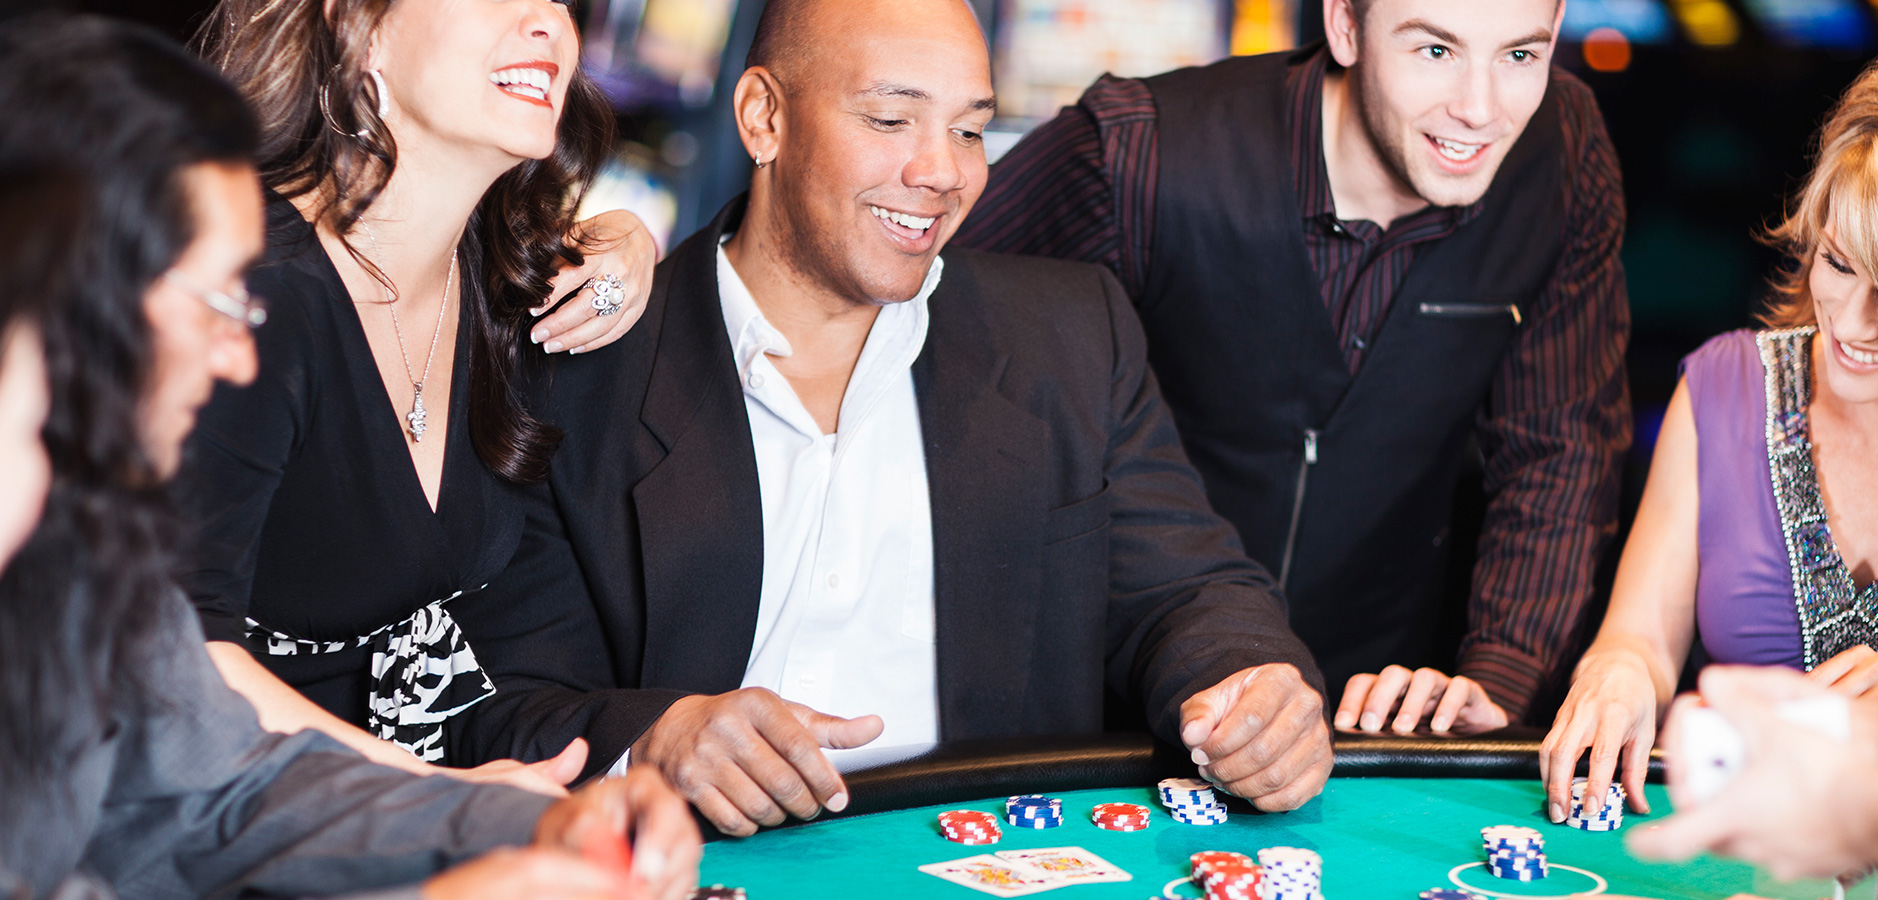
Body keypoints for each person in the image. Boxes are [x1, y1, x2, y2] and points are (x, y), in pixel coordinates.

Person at [445, 0, 1337, 836]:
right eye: (890, 120)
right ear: (763, 118)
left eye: (970, 129)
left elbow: (1189, 591)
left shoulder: (1070, 333)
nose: (941, 171)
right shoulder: (573, 362)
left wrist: (1248, 683)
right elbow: (495, 704)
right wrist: (663, 736)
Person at [0, 16, 701, 900]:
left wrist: (527, 820)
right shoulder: (272, 282)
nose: (543, 21)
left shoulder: (515, 288)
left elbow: (223, 786)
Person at [958, 0, 1631, 736]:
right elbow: (927, 324)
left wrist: (1496, 681)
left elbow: (1561, 447)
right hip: (1120, 713)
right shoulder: (1130, 153)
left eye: (1519, 57)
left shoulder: (1562, 151)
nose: (1479, 109)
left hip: (1379, 716)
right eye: (1435, 52)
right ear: (1345, 25)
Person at [172, 0, 662, 785]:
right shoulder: (251, 292)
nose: (549, 25)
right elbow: (169, 655)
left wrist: (628, 240)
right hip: (211, 815)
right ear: (354, 25)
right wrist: (432, 798)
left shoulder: (506, 288)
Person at [1540, 49, 1878, 825]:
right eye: (1840, 262)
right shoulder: (1726, 386)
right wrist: (1616, 674)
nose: (1851, 323)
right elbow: (1640, 637)